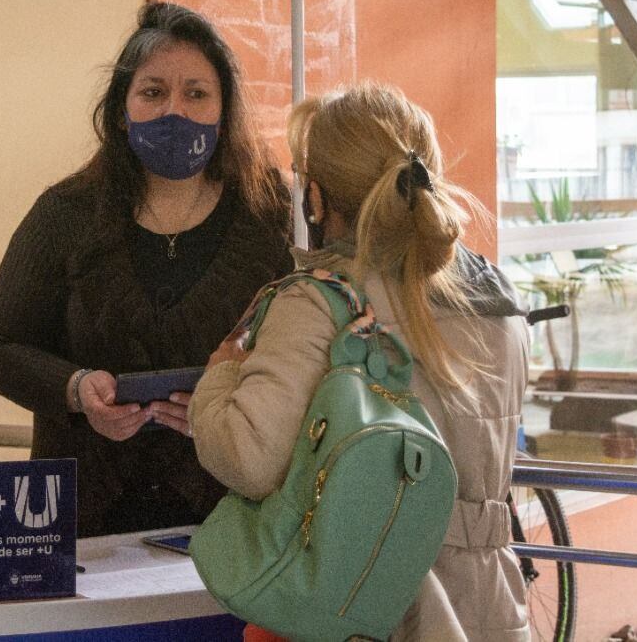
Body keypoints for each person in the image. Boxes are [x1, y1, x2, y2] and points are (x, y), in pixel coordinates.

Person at [189, 83, 530, 641]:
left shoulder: (318, 302)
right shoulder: (497, 302)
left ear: (316, 199)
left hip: (362, 610)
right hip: (493, 610)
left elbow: (250, 458)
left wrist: (221, 376)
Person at [0, 2, 291, 537]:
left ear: (224, 109)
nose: (176, 111)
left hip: (228, 523)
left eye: (196, 93)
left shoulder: (268, 211)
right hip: (82, 523)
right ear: (121, 109)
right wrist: (76, 390)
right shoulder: (65, 211)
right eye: (153, 92)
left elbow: (297, 357)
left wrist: (224, 408)